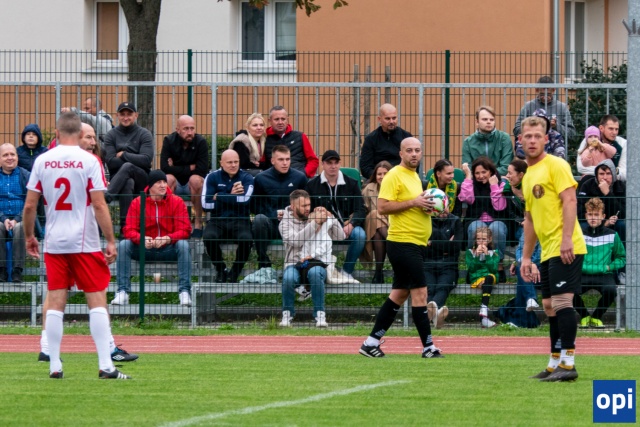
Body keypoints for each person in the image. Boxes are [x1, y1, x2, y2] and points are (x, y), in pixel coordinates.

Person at [22, 111, 131, 379]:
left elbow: (30, 205)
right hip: (84, 241)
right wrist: (110, 240)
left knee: (56, 300)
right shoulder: (89, 160)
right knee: (96, 299)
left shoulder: (42, 160)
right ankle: (106, 365)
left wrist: (29, 236)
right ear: (80, 134)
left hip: (54, 241)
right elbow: (99, 204)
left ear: (57, 133)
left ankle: (54, 365)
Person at [359, 137, 444, 359]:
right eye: (409, 150)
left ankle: (370, 343)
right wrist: (414, 202)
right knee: (420, 293)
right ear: (401, 153)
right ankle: (428, 347)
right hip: (403, 242)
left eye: (417, 150)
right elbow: (382, 207)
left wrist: (428, 208)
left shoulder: (415, 176)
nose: (414, 154)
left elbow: (413, 206)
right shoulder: (394, 175)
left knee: (399, 294)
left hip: (415, 242)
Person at [520, 115, 587, 382]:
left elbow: (570, 200)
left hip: (566, 246)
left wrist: (567, 238)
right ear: (520, 140)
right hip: (548, 250)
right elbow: (530, 220)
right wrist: (526, 257)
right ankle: (554, 363)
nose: (532, 140)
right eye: (528, 136)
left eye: (538, 136)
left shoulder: (556, 165)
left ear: (546, 139)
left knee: (561, 302)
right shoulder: (527, 176)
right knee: (548, 305)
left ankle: (568, 365)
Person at [111, 170, 193, 306]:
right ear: (150, 186)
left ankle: (184, 292)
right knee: (124, 245)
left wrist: (168, 238)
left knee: (183, 245)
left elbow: (185, 230)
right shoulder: (138, 202)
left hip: (168, 249)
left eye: (164, 182)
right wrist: (141, 239)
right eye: (158, 182)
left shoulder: (176, 201)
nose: (163, 185)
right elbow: (128, 229)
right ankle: (122, 292)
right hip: (144, 249)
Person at [278, 189, 344, 328]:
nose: (308, 208)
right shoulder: (285, 223)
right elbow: (296, 241)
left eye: (309, 205)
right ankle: (287, 315)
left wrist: (331, 217)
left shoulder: (315, 217)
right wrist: (314, 224)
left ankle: (320, 315)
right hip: (294, 263)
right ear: (293, 206)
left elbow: (340, 236)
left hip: (316, 263)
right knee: (288, 278)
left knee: (315, 273)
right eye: (303, 206)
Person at [306, 150, 367, 281]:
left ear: (340, 164)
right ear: (323, 164)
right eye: (329, 163)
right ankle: (321, 271)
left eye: (336, 162)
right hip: (324, 226)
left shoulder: (351, 183)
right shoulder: (312, 185)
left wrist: (352, 224)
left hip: (346, 225)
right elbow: (307, 211)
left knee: (360, 235)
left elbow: (360, 209)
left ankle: (346, 271)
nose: (333, 166)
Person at [496, 159, 541, 328]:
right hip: (520, 229)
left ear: (521, 175)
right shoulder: (508, 190)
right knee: (525, 238)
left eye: (510, 173)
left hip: (539, 229)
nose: (507, 176)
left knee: (524, 268)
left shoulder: (534, 190)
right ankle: (528, 301)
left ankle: (516, 313)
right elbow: (508, 213)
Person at [251, 144, 307, 271]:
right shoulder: (261, 178)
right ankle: (263, 263)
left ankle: (300, 266)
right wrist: (273, 214)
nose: (285, 163)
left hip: (294, 224)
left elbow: (307, 203)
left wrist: (292, 213)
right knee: (259, 220)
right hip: (272, 224)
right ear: (272, 161)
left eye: (287, 159)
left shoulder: (300, 178)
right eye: (281, 159)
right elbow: (254, 205)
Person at [202, 150, 254, 283]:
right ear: (221, 163)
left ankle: (235, 271)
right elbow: (205, 205)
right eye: (229, 162)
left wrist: (219, 195)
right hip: (217, 220)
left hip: (240, 220)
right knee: (209, 237)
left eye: (236, 162)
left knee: (246, 239)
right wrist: (231, 194)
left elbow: (245, 200)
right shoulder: (212, 177)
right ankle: (221, 269)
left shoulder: (247, 177)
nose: (233, 165)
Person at [574, 197, 625, 328]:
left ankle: (597, 317)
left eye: (596, 215)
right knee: (568, 290)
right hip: (582, 273)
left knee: (611, 290)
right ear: (586, 216)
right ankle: (584, 316)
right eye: (590, 214)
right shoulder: (578, 234)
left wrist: (609, 267)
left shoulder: (613, 235)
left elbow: (621, 258)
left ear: (603, 216)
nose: (593, 218)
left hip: (604, 274)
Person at [103, 101, 153, 228]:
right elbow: (111, 162)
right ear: (117, 115)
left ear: (136, 115)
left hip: (142, 178)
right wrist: (135, 156)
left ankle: (107, 196)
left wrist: (124, 154)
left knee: (128, 166)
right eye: (122, 114)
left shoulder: (144, 134)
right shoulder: (111, 135)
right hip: (119, 179)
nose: (126, 118)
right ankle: (126, 228)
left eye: (129, 114)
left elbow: (146, 160)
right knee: (127, 182)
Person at [459, 156, 508, 282]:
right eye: (477, 173)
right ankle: (474, 265)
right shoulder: (471, 184)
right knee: (475, 228)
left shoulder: (501, 184)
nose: (480, 176)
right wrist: (468, 177)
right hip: (476, 219)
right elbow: (466, 198)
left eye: (484, 172)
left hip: (496, 220)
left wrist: (494, 186)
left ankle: (498, 264)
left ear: (491, 172)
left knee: (496, 229)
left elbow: (499, 207)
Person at [160, 115, 209, 238]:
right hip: (175, 183)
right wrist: (190, 167)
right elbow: (164, 168)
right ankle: (169, 224)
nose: (190, 132)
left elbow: (202, 169)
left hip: (191, 185)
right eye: (186, 129)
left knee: (196, 180)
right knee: (168, 178)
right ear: (178, 130)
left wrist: (175, 167)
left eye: (192, 128)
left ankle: (198, 224)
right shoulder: (169, 141)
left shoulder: (201, 142)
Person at [424, 207, 464, 329]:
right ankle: (436, 316)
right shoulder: (425, 220)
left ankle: (430, 314)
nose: (443, 211)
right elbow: (423, 248)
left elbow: (456, 247)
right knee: (430, 289)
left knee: (443, 286)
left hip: (449, 265)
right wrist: (446, 244)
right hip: (427, 264)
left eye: (444, 207)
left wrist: (432, 243)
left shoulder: (455, 221)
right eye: (439, 209)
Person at [260, 106, 318, 178]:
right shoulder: (264, 139)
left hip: (298, 179)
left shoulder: (300, 136)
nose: (280, 122)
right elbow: (262, 164)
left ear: (287, 120)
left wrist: (303, 174)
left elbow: (313, 160)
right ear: (270, 121)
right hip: (274, 180)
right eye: (276, 119)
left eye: (283, 119)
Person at [577, 159, 625, 245]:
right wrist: (603, 222)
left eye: (608, 173)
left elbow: (623, 212)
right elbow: (579, 212)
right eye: (601, 174)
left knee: (621, 225)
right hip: (591, 220)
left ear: (613, 175)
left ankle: (622, 252)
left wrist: (608, 194)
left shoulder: (620, 186)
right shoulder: (587, 185)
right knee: (582, 226)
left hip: (613, 221)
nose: (605, 177)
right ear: (596, 175)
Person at [513, 75, 576, 141]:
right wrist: (533, 127)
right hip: (533, 144)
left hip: (555, 146)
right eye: (542, 94)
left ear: (553, 90)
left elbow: (572, 133)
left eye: (548, 94)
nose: (545, 97)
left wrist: (556, 126)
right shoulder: (528, 106)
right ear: (537, 90)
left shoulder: (562, 107)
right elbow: (516, 130)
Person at [359, 103, 413, 180]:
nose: (391, 121)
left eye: (394, 118)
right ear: (379, 119)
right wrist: (379, 177)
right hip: (378, 181)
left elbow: (413, 162)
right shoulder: (371, 139)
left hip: (402, 179)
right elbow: (365, 167)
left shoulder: (406, 137)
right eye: (387, 119)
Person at [0, 143, 29, 282]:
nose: (9, 157)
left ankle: (17, 270)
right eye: (5, 155)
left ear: (17, 157)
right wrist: (3, 218)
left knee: (20, 228)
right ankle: (1, 270)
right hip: (1, 219)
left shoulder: (26, 175)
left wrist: (17, 218)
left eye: (12, 154)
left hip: (23, 218)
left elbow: (32, 202)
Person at [361, 161, 391, 284]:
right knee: (374, 214)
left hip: (390, 225)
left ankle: (378, 272)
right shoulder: (369, 188)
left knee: (378, 235)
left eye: (385, 174)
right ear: (375, 175)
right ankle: (392, 242)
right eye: (379, 174)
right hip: (371, 224)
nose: (382, 177)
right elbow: (362, 209)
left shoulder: (396, 188)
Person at [461, 106, 513, 177]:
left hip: (499, 179)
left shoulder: (504, 138)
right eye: (485, 119)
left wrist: (486, 175)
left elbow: (506, 166)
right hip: (477, 180)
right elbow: (467, 169)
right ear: (477, 122)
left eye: (492, 120)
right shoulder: (468, 142)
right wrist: (482, 176)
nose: (489, 122)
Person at [466, 227, 500, 328]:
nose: (481, 242)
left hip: (490, 277)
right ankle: (484, 317)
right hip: (477, 277)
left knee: (489, 278)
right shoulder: (470, 252)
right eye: (478, 239)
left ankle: (483, 309)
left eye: (484, 239)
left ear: (489, 239)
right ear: (475, 240)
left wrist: (487, 255)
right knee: (487, 282)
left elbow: (493, 269)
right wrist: (476, 256)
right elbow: (471, 269)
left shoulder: (494, 252)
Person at [576, 115, 627, 181]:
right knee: (586, 180)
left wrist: (605, 174)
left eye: (616, 129)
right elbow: (581, 168)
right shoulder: (589, 140)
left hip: (613, 181)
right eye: (611, 129)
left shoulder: (622, 143)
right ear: (601, 128)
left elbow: (624, 173)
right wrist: (610, 171)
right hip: (591, 180)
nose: (614, 132)